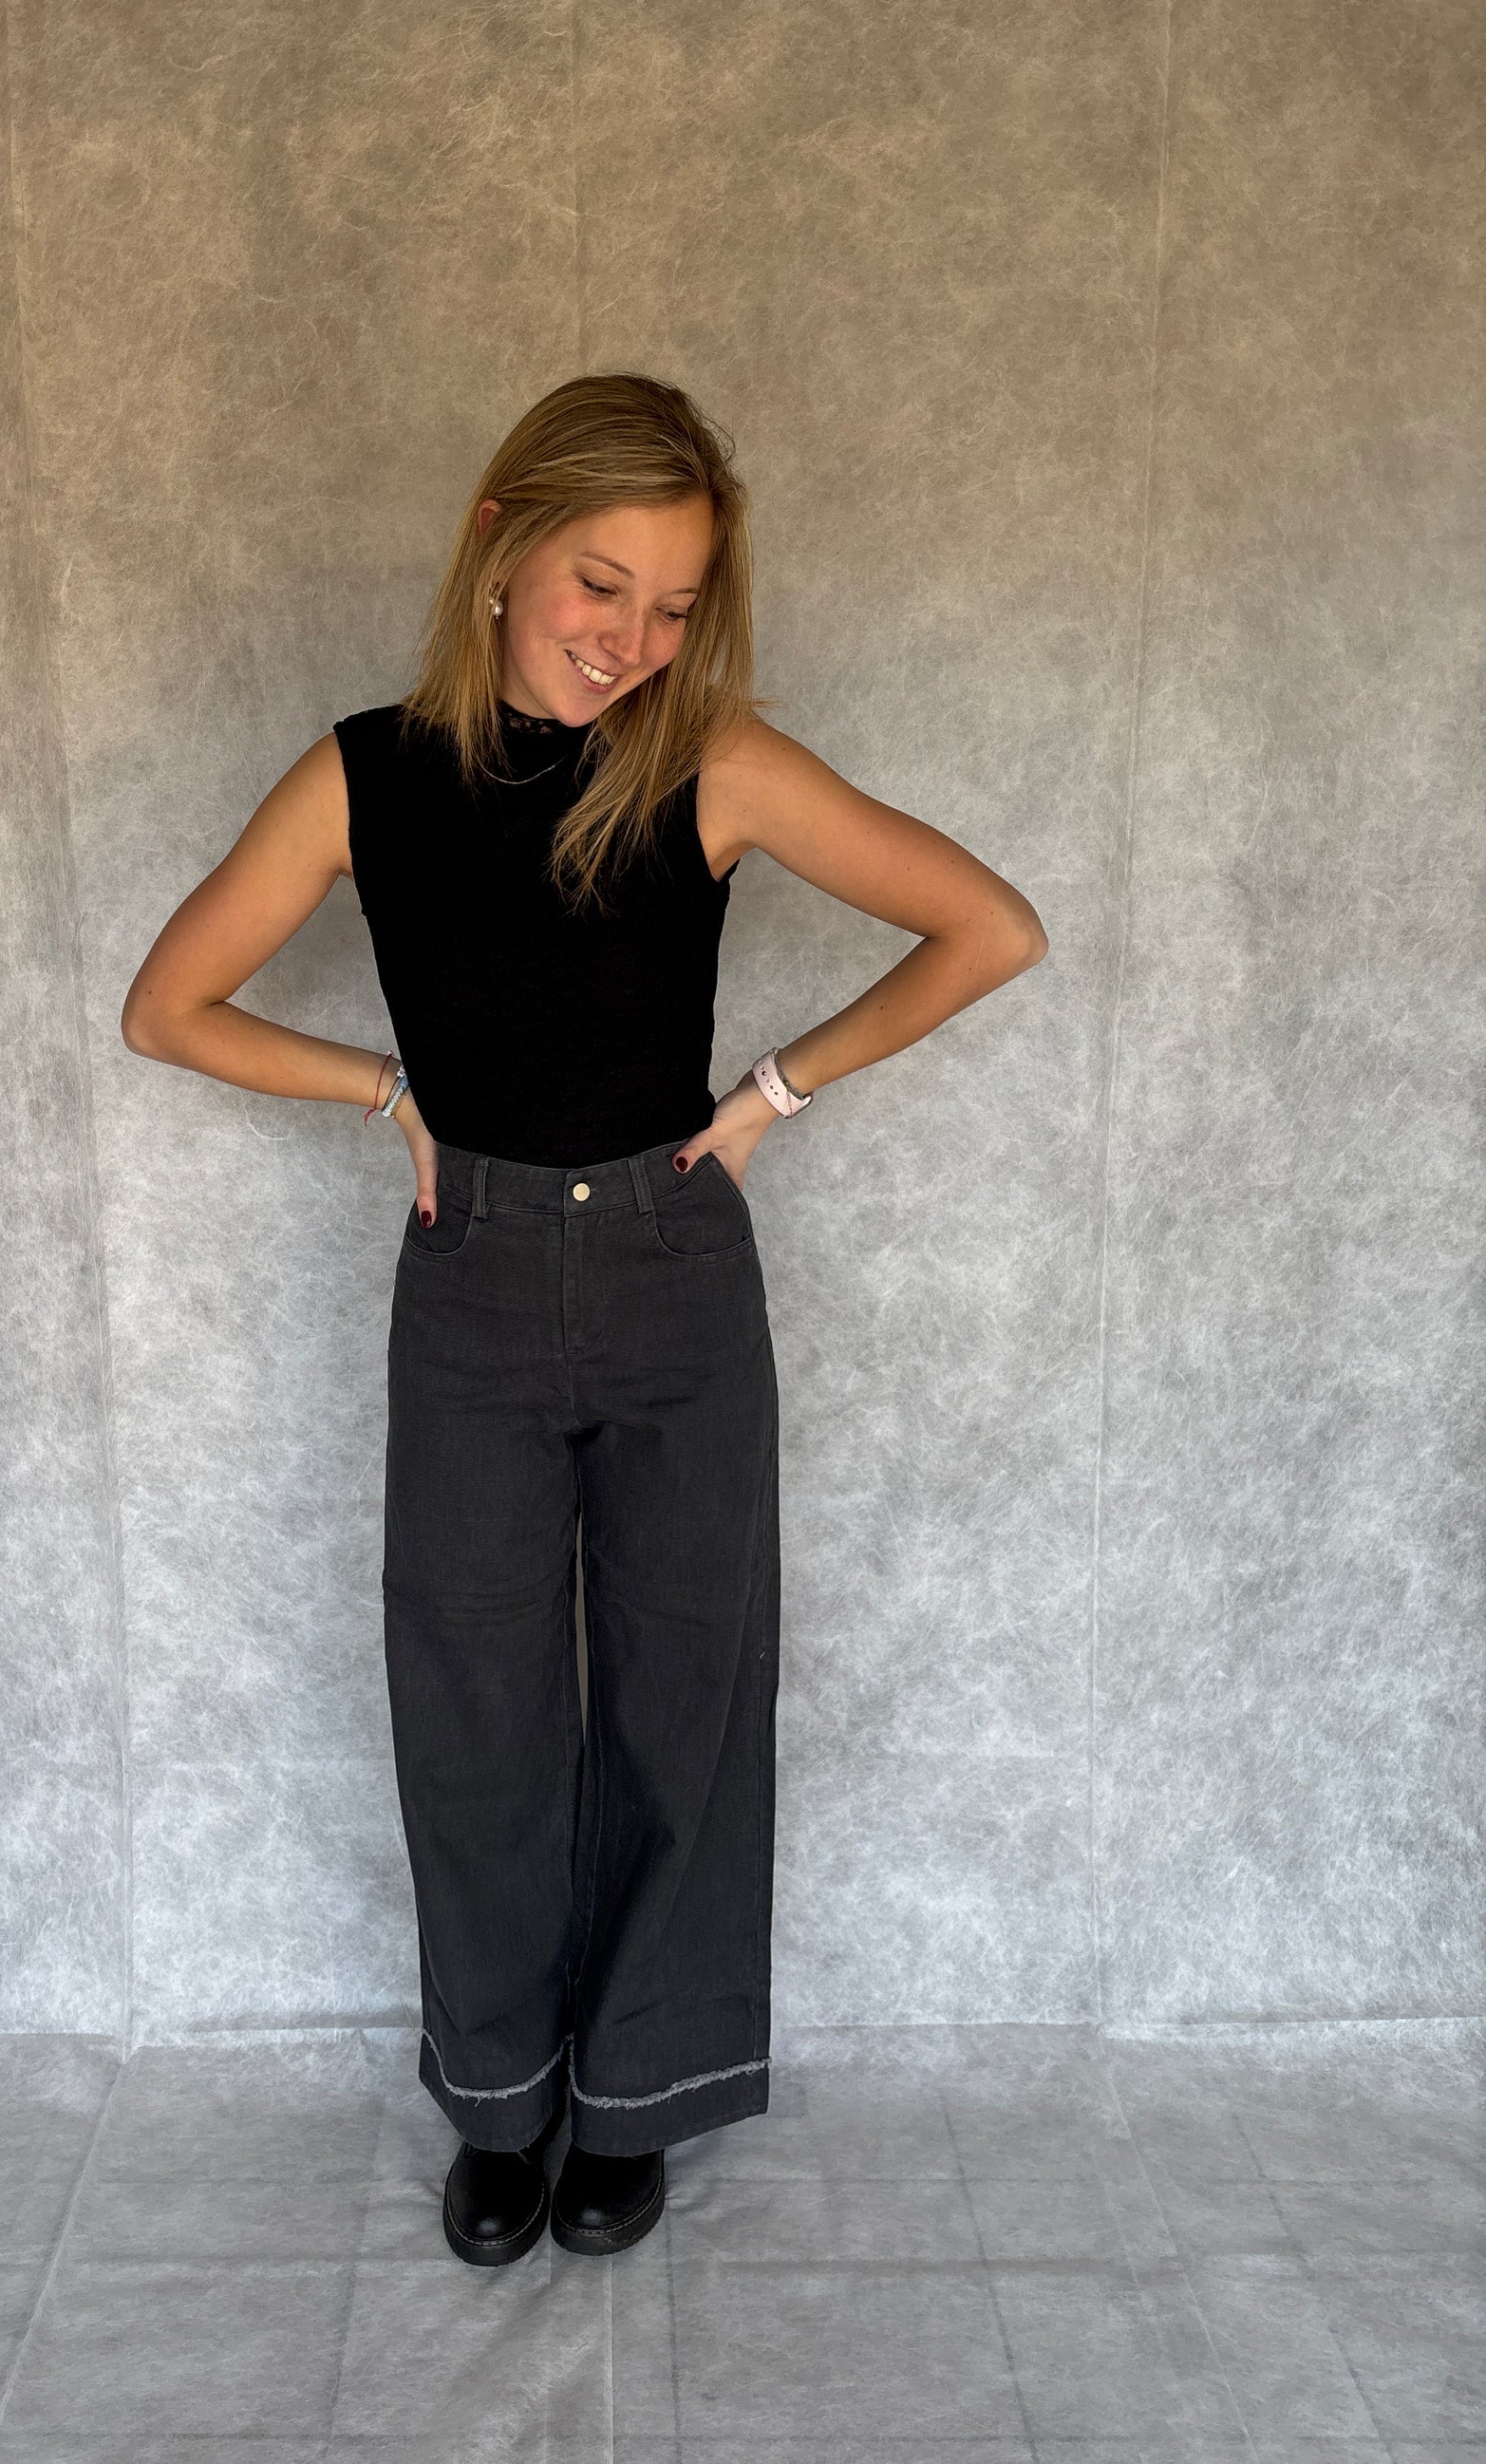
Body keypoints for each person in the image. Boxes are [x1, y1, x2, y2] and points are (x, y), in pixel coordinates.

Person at [121, 371, 1047, 2267]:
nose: (628, 639)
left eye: (674, 605)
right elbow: (168, 1007)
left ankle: (635, 2093)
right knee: (473, 1703)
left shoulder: (715, 764)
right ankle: (499, 2100)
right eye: (598, 584)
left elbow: (990, 926)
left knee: (678, 1697)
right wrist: (383, 1091)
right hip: (467, 1279)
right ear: (498, 543)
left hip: (669, 1273)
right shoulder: (362, 777)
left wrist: (770, 1094)